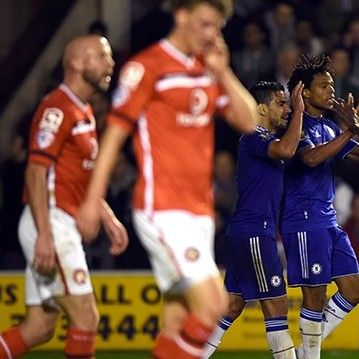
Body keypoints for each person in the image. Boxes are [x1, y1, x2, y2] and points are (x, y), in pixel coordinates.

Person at [76, 1, 258, 358]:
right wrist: (91, 203)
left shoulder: (207, 68)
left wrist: (223, 72)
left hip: (198, 212)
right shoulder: (147, 67)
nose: (212, 35)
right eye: (206, 24)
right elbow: (113, 137)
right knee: (213, 306)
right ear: (181, 15)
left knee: (177, 322)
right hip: (161, 208)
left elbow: (250, 122)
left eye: (218, 27)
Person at [0, 35, 128, 359]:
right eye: (101, 55)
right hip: (52, 222)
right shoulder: (57, 107)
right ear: (76, 62)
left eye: (110, 57)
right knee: (86, 317)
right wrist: (45, 234)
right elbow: (35, 172)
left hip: (58, 223)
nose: (110, 63)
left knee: (40, 326)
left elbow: (79, 177)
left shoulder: (83, 110)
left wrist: (106, 215)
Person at [203, 80, 304, 358]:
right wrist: (301, 111)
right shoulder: (254, 136)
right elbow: (286, 151)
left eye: (288, 103)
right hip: (254, 232)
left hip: (247, 232)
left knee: (233, 305)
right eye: (281, 103)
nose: (287, 109)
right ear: (261, 108)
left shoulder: (269, 140)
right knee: (276, 306)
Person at [282, 53, 359, 359]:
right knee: (314, 297)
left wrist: (354, 127)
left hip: (327, 221)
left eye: (332, 84)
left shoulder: (328, 127)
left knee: (353, 289)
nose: (331, 91)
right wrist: (349, 132)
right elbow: (311, 158)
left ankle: (303, 354)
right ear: (305, 91)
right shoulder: (292, 126)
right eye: (324, 86)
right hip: (303, 220)